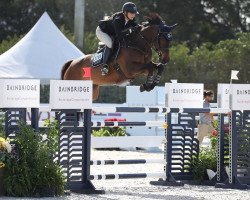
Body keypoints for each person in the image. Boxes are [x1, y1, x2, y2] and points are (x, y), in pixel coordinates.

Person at [96, 2, 139, 75]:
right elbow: (119, 35)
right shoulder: (118, 19)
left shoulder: (131, 19)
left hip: (112, 32)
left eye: (134, 13)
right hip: (102, 31)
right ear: (125, 12)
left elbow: (137, 27)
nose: (133, 15)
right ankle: (105, 66)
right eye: (131, 13)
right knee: (110, 44)